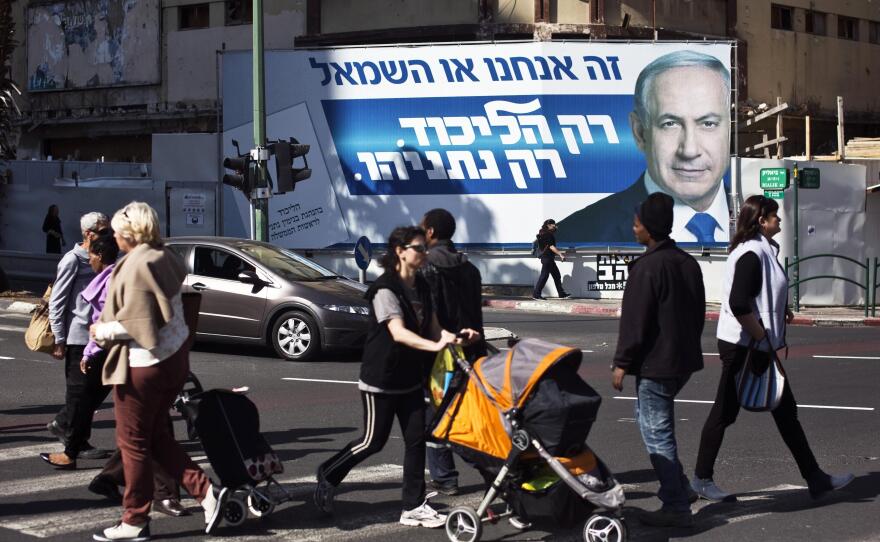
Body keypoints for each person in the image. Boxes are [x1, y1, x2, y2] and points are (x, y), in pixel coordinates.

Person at [314, 225, 479, 529]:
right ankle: (329, 472)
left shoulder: (422, 286)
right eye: (419, 248)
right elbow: (398, 332)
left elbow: (434, 329)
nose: (424, 253)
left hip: (411, 377)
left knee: (416, 439)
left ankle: (413, 506)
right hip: (381, 378)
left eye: (425, 248)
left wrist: (457, 338)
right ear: (400, 252)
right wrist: (434, 345)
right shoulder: (385, 289)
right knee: (372, 442)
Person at [691, 195, 854, 502]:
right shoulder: (752, 253)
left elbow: (760, 294)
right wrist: (762, 335)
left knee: (784, 411)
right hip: (744, 345)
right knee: (726, 411)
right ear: (761, 220)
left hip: (754, 344)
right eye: (775, 216)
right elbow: (739, 303)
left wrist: (780, 312)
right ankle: (701, 479)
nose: (779, 220)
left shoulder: (763, 249)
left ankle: (815, 478)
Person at [90, 202, 226, 541]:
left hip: (144, 365)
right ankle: (208, 493)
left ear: (129, 233)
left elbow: (140, 324)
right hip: (174, 359)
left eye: (117, 232)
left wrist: (102, 331)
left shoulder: (136, 264)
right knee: (156, 438)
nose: (114, 237)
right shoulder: (164, 255)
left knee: (133, 443)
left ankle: (135, 519)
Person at [557, 50, 731, 245]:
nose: (690, 150)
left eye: (708, 123)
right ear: (639, 132)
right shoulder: (574, 235)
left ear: (730, 129)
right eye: (670, 124)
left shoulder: (755, 219)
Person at [610, 192, 705, 528]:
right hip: (682, 361)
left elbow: (635, 322)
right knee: (649, 419)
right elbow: (698, 315)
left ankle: (676, 506)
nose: (633, 228)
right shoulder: (687, 263)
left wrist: (622, 362)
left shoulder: (647, 268)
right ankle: (680, 488)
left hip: (657, 364)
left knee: (657, 432)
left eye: (637, 224)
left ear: (648, 228)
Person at [419, 208, 486, 497]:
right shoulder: (470, 268)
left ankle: (445, 477)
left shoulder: (425, 267)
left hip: (438, 354)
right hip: (470, 350)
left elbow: (427, 315)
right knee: (465, 412)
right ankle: (492, 467)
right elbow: (476, 315)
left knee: (434, 415)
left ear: (430, 232)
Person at [40, 233, 116, 469]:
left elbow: (104, 320)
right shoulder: (75, 262)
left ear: (100, 255)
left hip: (104, 345)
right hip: (87, 340)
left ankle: (70, 439)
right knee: (84, 396)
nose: (89, 259)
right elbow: (57, 300)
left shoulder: (112, 279)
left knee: (84, 396)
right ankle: (73, 445)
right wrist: (60, 338)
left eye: (92, 255)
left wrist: (90, 351)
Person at [532, 219, 571, 300]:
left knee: (556, 275)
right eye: (553, 225)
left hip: (548, 258)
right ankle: (536, 294)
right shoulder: (548, 235)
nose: (555, 226)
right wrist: (560, 254)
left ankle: (561, 294)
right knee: (544, 276)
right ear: (548, 225)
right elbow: (551, 246)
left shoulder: (543, 233)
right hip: (547, 258)